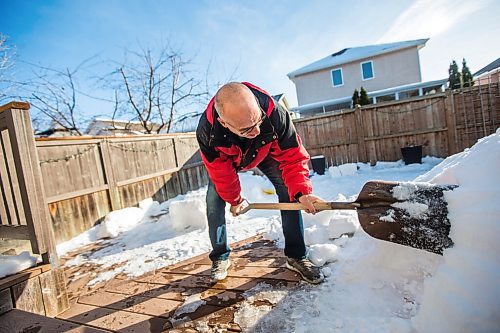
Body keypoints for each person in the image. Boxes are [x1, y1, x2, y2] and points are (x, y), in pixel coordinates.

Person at [196, 82, 324, 284]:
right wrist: (235, 199)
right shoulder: (208, 132)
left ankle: (297, 256)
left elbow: (292, 156)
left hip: (265, 153)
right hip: (229, 160)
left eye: (258, 121)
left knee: (288, 190)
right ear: (224, 123)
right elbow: (221, 173)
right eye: (247, 129)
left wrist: (302, 192)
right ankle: (220, 256)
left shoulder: (275, 113)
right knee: (214, 200)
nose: (256, 130)